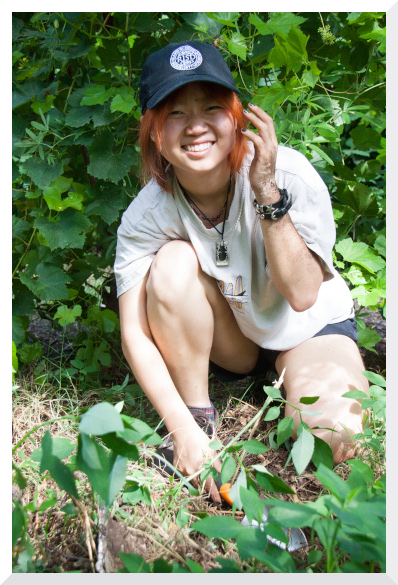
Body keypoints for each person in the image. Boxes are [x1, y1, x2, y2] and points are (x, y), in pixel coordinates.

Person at [115, 41, 369, 503]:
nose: (195, 126)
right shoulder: (147, 213)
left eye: (212, 107)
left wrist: (268, 193)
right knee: (170, 264)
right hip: (239, 340)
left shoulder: (288, 174)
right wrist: (177, 426)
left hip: (306, 329)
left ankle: (298, 390)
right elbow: (134, 332)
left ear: (236, 118)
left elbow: (303, 294)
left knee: (340, 437)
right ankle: (197, 422)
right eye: (175, 113)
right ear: (155, 133)